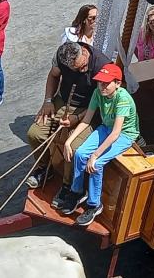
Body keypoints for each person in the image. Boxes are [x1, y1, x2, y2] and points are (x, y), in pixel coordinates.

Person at [24, 42, 112, 206]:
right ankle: (44, 168)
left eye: (82, 66)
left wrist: (76, 118)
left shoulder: (102, 65)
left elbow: (101, 100)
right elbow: (53, 75)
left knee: (73, 147)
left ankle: (68, 185)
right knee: (35, 134)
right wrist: (48, 101)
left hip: (89, 110)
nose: (81, 71)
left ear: (84, 52)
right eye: (75, 69)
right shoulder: (62, 56)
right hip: (62, 101)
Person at [59, 63, 139, 226]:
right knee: (80, 153)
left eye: (106, 83)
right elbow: (87, 119)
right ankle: (77, 191)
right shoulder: (98, 93)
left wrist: (95, 155)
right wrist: (69, 141)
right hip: (106, 128)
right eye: (99, 82)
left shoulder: (122, 98)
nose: (101, 86)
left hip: (124, 134)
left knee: (97, 163)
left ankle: (95, 205)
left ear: (117, 83)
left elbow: (117, 132)